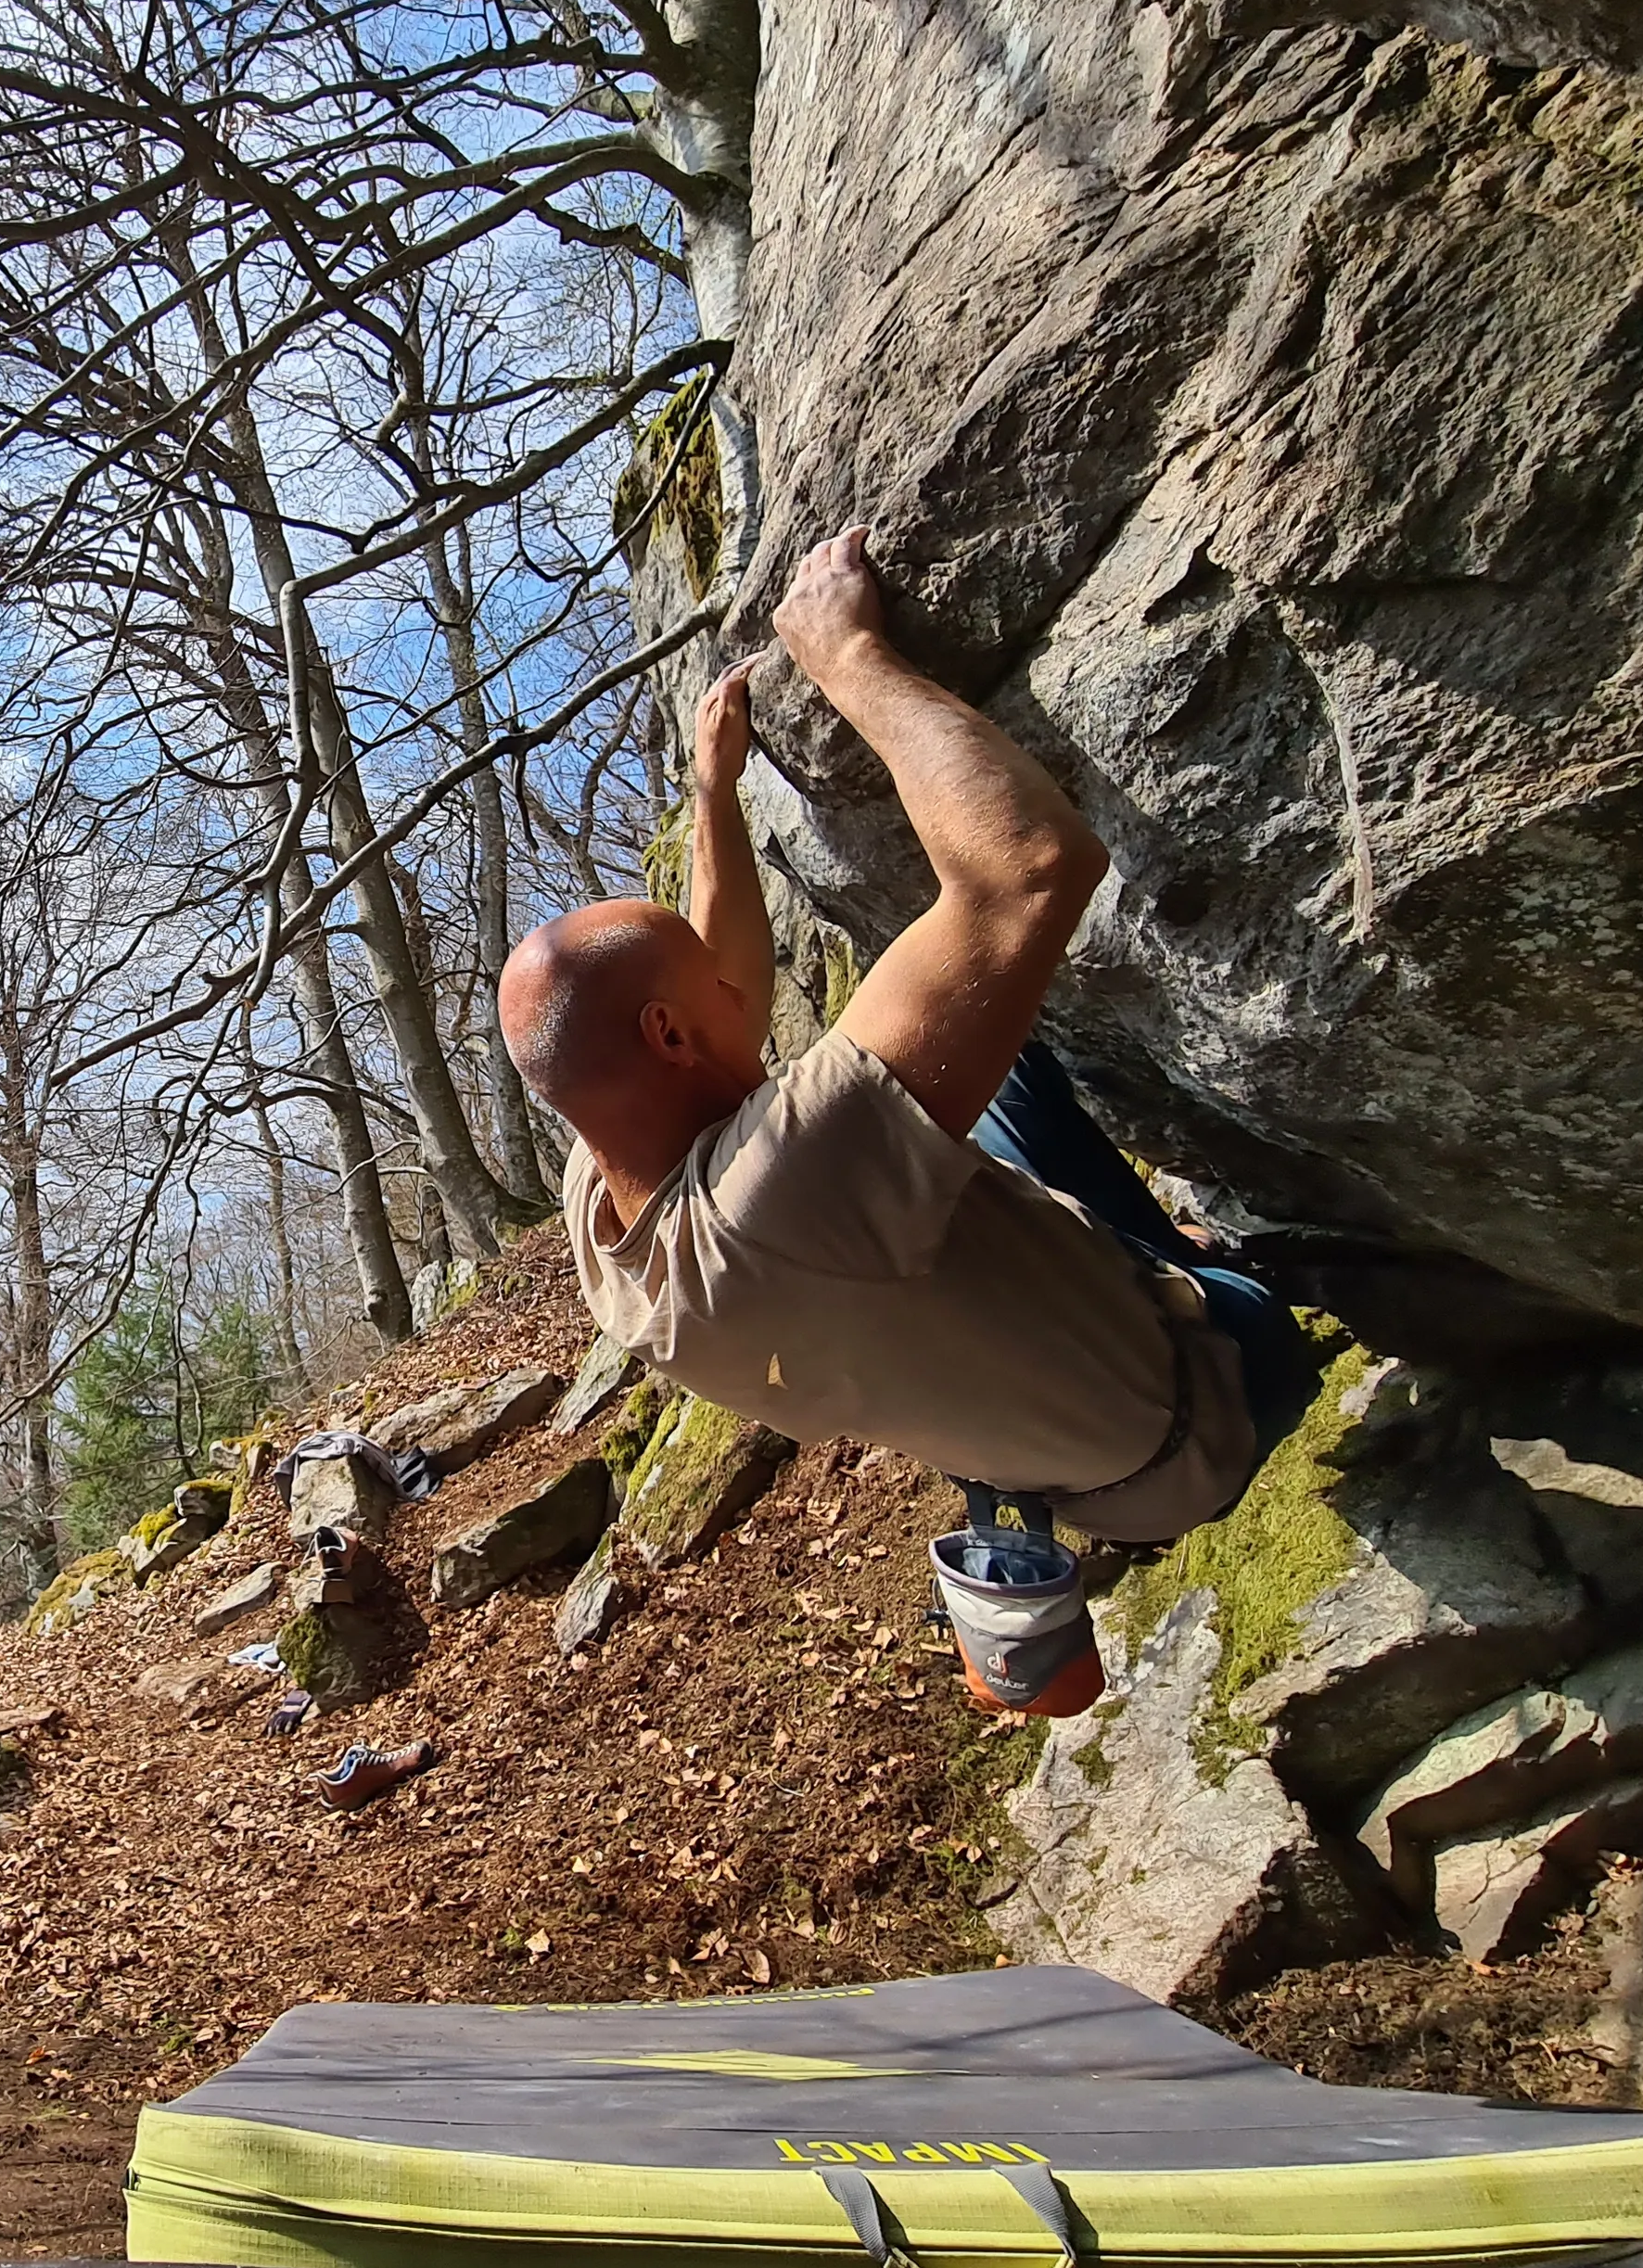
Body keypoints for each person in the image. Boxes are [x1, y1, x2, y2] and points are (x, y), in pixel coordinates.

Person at [498, 527, 1318, 1548]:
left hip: (1078, 1466)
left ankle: (1144, 1261)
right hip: (1215, 1397)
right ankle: (1256, 1246)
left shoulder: (608, 1210)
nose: (728, 979)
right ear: (667, 1034)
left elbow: (726, 1002)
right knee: (984, 1004)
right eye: (698, 978)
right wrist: (849, 659)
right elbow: (1031, 871)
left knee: (973, 1055)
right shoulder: (787, 1185)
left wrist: (715, 794)